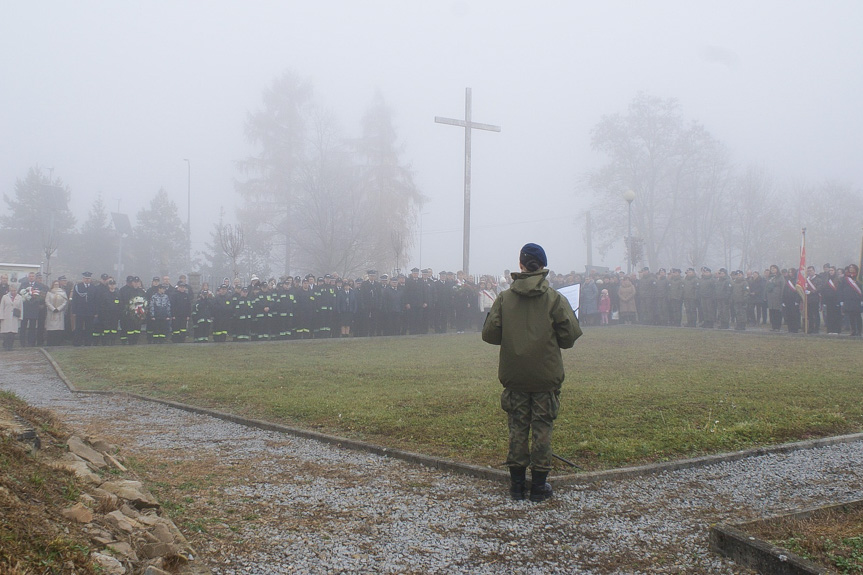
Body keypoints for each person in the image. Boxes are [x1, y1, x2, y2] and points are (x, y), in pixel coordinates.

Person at [481, 243, 582, 502]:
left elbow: (490, 335)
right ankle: (538, 486)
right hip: (546, 375)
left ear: (521, 265)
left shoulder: (504, 298)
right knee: (542, 428)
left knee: (517, 427)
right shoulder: (555, 298)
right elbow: (569, 338)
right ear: (543, 266)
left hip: (514, 375)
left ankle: (516, 486)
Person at [45, 280, 68, 346]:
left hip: (59, 313)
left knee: (58, 328)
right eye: (55, 284)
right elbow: (47, 301)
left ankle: (57, 342)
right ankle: (50, 342)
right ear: (53, 285)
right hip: (51, 312)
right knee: (51, 328)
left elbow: (65, 301)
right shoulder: (49, 292)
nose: (56, 286)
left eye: (57, 284)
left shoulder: (63, 292)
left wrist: (59, 308)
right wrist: (52, 308)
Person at [0, 284, 23, 351]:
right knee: (7, 332)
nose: (13, 292)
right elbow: (1, 307)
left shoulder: (19, 297)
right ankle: (6, 345)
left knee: (13, 333)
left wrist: (20, 317)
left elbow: (21, 308)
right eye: (12, 290)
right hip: (6, 316)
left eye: (14, 290)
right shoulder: (5, 297)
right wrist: (1, 316)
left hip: (15, 317)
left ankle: (10, 346)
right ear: (9, 290)